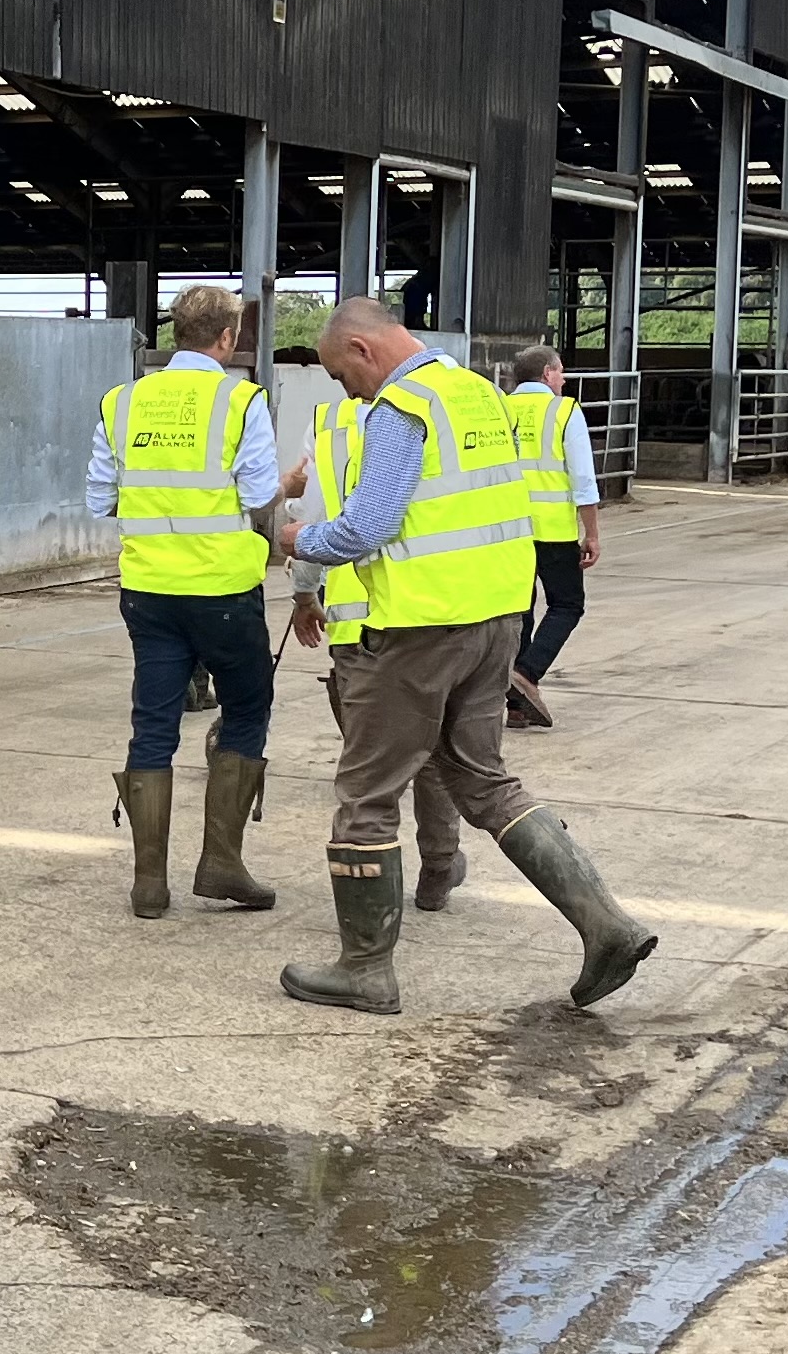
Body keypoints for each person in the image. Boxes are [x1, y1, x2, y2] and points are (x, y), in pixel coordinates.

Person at [274, 298, 659, 1016]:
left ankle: (365, 969)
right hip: (495, 622)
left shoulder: (400, 409)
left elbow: (369, 525)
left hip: (416, 631)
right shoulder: (478, 396)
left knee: (366, 797)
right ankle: (607, 925)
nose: (346, 392)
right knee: (484, 782)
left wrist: (298, 542)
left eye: (339, 375)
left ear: (361, 349)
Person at [87, 283, 282, 918]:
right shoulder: (240, 401)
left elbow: (99, 499)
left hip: (148, 592)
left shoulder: (123, 401)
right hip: (223, 588)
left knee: (154, 725)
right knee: (247, 711)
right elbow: (257, 495)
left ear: (176, 332)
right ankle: (221, 862)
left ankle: (149, 884)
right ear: (229, 338)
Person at [287, 392, 467, 913]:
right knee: (429, 754)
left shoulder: (331, 423)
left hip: (354, 626)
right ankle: (439, 864)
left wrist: (303, 592)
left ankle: (369, 912)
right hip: (426, 617)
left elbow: (314, 515)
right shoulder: (444, 411)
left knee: (369, 768)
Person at [500, 345, 603, 728]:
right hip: (553, 531)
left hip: (510, 530)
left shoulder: (499, 409)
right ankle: (526, 673)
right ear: (546, 374)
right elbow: (583, 480)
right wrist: (591, 533)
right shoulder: (564, 411)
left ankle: (514, 707)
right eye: (560, 372)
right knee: (567, 605)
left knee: (520, 611)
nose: (563, 379)